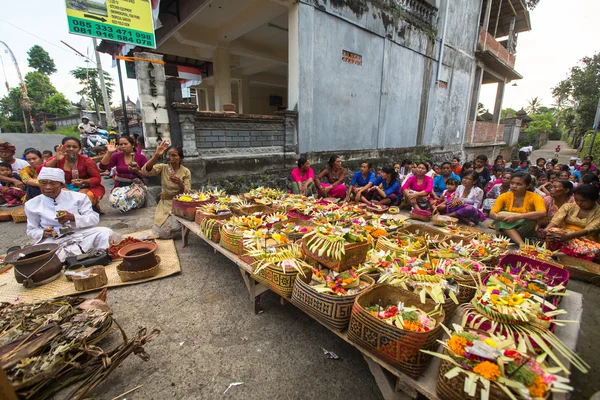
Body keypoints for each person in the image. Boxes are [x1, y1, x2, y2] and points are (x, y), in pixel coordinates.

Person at [24, 167, 115, 262]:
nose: (47, 187)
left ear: (61, 184)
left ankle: (93, 256)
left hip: (80, 234)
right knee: (40, 254)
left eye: (53, 183)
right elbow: (31, 229)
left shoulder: (79, 197)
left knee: (105, 233)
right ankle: (82, 258)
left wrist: (73, 218)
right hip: (54, 241)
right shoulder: (31, 204)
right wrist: (43, 233)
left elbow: (93, 218)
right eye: (43, 183)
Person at [141, 141, 191, 239]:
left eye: (174, 155)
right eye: (169, 155)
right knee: (162, 232)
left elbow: (187, 192)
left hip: (179, 203)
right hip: (165, 203)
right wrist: (156, 155)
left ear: (181, 158)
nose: (171, 158)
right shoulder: (163, 167)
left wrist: (180, 183)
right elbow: (146, 171)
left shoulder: (185, 171)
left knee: (176, 228)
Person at [42, 137, 105, 210]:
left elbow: (97, 179)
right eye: (68, 146)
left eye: (74, 147)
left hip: (85, 187)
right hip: (61, 188)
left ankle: (85, 210)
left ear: (79, 149)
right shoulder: (56, 159)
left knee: (83, 196)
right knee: (64, 194)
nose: (71, 149)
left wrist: (84, 181)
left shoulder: (87, 161)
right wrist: (56, 160)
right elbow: (42, 170)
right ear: (62, 147)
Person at [489, 172, 546, 245]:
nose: (514, 186)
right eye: (512, 183)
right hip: (507, 223)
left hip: (526, 227)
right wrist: (498, 216)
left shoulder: (535, 197)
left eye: (519, 184)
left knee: (503, 218)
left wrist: (518, 217)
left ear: (528, 186)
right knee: (501, 216)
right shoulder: (504, 196)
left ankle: (506, 236)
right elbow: (492, 213)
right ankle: (521, 243)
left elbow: (542, 213)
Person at [544, 185, 600, 258]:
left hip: (585, 239)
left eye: (583, 201)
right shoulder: (569, 206)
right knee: (552, 231)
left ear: (594, 199)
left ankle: (558, 254)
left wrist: (567, 236)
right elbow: (555, 220)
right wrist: (546, 231)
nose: (579, 203)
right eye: (576, 200)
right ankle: (562, 253)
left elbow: (589, 229)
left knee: (594, 249)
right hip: (563, 234)